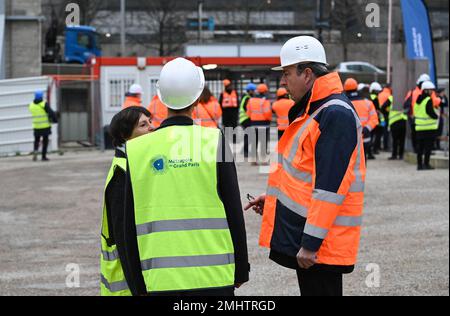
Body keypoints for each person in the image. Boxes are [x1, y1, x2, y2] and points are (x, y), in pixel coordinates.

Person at [245, 36, 365, 297]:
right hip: (316, 236)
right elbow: (304, 177)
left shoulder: (333, 113)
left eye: (287, 73)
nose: (283, 82)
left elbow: (329, 187)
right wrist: (275, 200)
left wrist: (311, 243)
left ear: (307, 74)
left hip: (321, 243)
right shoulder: (316, 111)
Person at [123, 58, 249, 296]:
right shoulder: (215, 141)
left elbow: (129, 222)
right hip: (214, 276)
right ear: (197, 96)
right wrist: (241, 268)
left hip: (160, 279)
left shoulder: (137, 149)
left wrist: (136, 281)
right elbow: (234, 210)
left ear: (161, 97)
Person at [100, 106, 153, 296]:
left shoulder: (135, 163)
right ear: (125, 135)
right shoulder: (121, 173)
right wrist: (139, 288)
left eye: (150, 122)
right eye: (143, 125)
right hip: (128, 284)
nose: (151, 128)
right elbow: (123, 237)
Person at [344, 78, 378, 162]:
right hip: (364, 138)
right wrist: (367, 128)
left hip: (348, 140)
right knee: (363, 161)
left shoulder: (343, 103)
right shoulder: (367, 102)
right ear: (356, 88)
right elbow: (374, 119)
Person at [415, 81, 440, 170]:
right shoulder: (428, 100)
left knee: (420, 148)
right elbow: (430, 112)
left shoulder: (418, 100)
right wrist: (436, 116)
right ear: (426, 90)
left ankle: (419, 165)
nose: (432, 92)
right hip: (429, 128)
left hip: (419, 127)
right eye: (430, 90)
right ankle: (426, 164)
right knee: (428, 148)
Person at [246, 84, 272, 165]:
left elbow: (248, 113)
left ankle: (253, 160)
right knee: (263, 142)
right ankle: (264, 160)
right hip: (264, 124)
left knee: (254, 142)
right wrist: (268, 119)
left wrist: (253, 118)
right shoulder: (265, 101)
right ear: (265, 91)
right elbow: (267, 113)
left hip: (253, 123)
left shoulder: (251, 100)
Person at [28, 90, 57, 162]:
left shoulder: (31, 105)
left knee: (36, 140)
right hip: (45, 126)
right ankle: (43, 157)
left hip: (36, 126)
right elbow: (51, 113)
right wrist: (55, 120)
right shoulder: (44, 104)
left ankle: (35, 152)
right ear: (41, 96)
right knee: (45, 141)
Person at [239, 83, 257, 158]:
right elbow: (246, 108)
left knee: (248, 135)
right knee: (249, 135)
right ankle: (245, 151)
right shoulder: (247, 98)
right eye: (253, 90)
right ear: (249, 91)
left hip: (244, 119)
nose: (254, 92)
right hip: (245, 119)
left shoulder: (246, 97)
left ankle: (244, 150)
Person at [369, 82, 384, 155]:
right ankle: (375, 149)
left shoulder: (368, 97)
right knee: (377, 135)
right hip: (375, 120)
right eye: (377, 91)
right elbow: (377, 110)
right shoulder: (375, 98)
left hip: (368, 120)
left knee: (370, 136)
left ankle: (369, 150)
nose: (378, 92)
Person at [378, 84, 393, 151]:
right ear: (389, 88)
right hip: (386, 115)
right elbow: (385, 106)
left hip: (380, 115)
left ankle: (377, 147)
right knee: (385, 131)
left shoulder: (380, 94)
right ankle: (385, 146)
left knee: (379, 131)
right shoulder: (389, 95)